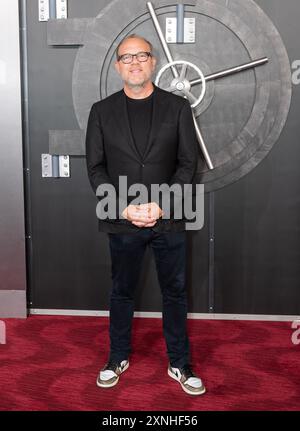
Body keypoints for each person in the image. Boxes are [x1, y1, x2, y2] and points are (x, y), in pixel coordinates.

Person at [85, 34, 205, 396]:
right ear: (118, 66)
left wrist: (163, 204)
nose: (134, 62)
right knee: (121, 291)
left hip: (168, 217)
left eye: (142, 56)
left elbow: (188, 163)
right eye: (127, 57)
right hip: (122, 219)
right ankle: (116, 357)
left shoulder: (178, 107)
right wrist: (123, 207)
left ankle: (179, 363)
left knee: (175, 293)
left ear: (153, 62)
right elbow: (96, 168)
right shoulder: (101, 111)